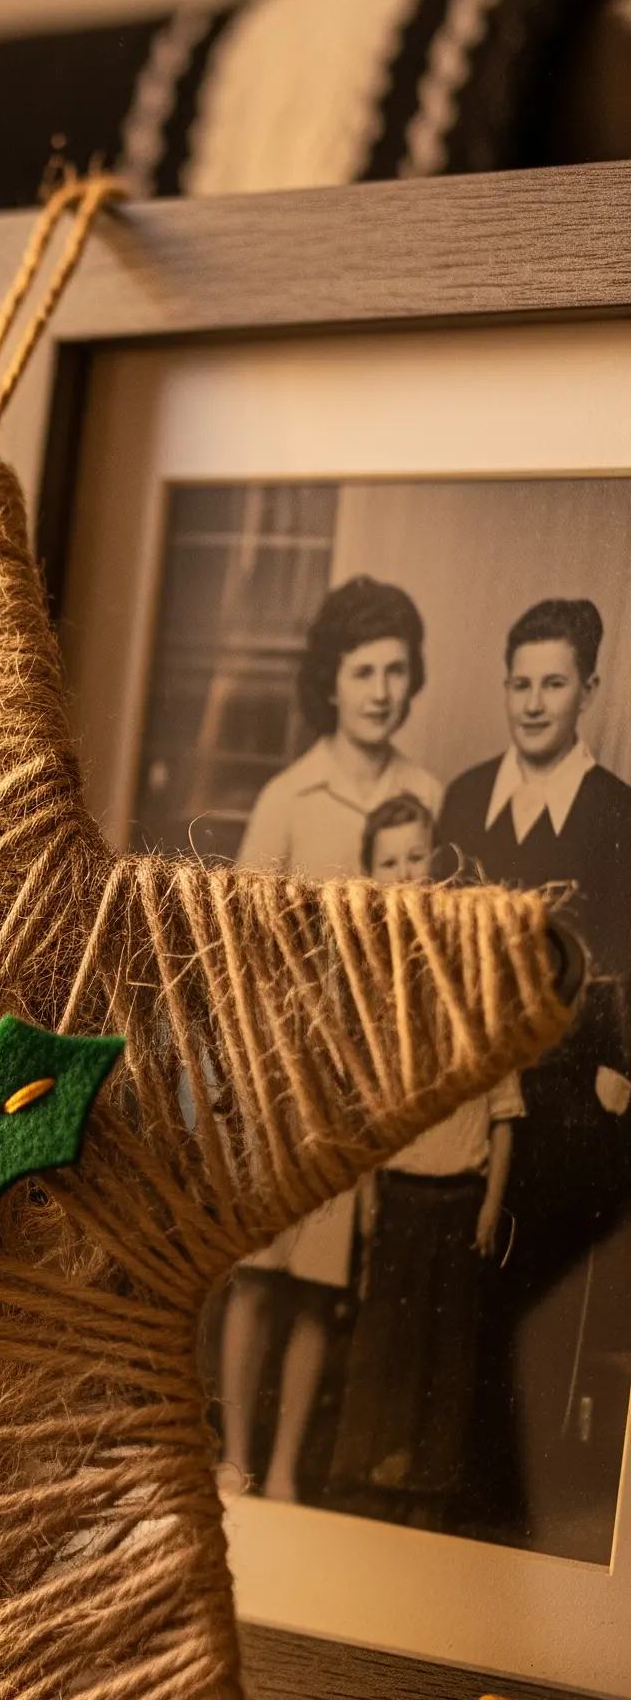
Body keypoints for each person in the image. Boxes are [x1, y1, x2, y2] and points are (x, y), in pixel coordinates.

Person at [219, 577, 440, 1503]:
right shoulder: (287, 798)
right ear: (332, 683)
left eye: (397, 669)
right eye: (363, 671)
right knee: (262, 1276)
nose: (382, 690)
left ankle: (283, 1471)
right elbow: (234, 946)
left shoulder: (428, 796)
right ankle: (233, 1454)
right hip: (282, 1073)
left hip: (367, 1079)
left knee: (320, 1285)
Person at [437, 595, 631, 1541]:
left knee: (536, 1316)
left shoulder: (616, 814)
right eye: (520, 682)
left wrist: (617, 1071)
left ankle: (514, 1521)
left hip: (567, 1105)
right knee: (459, 1297)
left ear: (589, 690)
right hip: (469, 1091)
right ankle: (451, 1505)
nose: (533, 701)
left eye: (554, 682)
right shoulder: (467, 797)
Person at [328, 795, 522, 1519]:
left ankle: (433, 1481)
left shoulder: (473, 967)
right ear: (369, 873)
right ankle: (368, 1472)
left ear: (437, 862)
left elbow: (503, 1109)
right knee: (386, 1338)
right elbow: (375, 1102)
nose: (406, 873)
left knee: (449, 1345)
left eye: (418, 858)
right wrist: (373, 1188)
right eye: (390, 862)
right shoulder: (371, 969)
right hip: (400, 1190)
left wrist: (491, 1202)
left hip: (460, 1194)